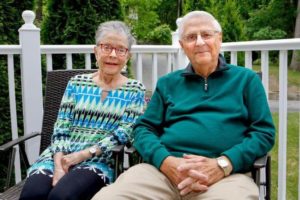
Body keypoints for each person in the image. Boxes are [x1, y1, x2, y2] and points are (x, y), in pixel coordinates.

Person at [92, 11, 275, 200]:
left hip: (226, 178)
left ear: (219, 39)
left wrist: (224, 163)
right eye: (190, 37)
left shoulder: (246, 80)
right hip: (162, 175)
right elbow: (143, 129)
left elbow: (264, 133)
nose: (199, 42)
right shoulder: (168, 83)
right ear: (182, 46)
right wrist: (165, 161)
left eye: (206, 35)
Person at [19, 20, 145, 200]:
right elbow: (61, 126)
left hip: (97, 161)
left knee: (61, 196)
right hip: (58, 156)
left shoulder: (135, 89)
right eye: (106, 47)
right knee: (33, 194)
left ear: (128, 56)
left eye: (120, 49)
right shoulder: (76, 83)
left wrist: (83, 155)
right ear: (96, 51)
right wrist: (58, 165)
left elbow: (124, 132)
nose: (113, 54)